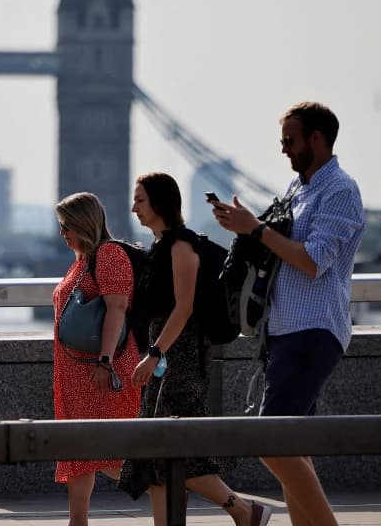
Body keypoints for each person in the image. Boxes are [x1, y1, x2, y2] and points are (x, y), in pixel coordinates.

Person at [211, 102, 365, 526]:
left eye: (289, 141)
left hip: (314, 330)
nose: (283, 150)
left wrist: (256, 229)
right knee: (294, 446)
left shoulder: (341, 191)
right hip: (284, 330)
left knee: (272, 440)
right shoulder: (300, 188)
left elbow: (314, 261)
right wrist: (246, 227)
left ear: (317, 138)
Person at [119, 173, 271, 526]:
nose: (134, 208)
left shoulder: (181, 247)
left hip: (181, 356)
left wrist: (155, 353)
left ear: (160, 203)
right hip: (165, 353)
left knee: (173, 447)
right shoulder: (159, 246)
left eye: (140, 200)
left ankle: (244, 510)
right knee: (154, 451)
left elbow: (184, 308)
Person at [53, 192, 141, 526]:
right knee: (80, 451)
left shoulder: (109, 254)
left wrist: (105, 361)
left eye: (66, 226)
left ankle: (170, 486)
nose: (62, 234)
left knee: (105, 450)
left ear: (83, 224)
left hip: (103, 370)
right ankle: (78, 521)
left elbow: (117, 308)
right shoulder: (81, 260)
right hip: (76, 375)